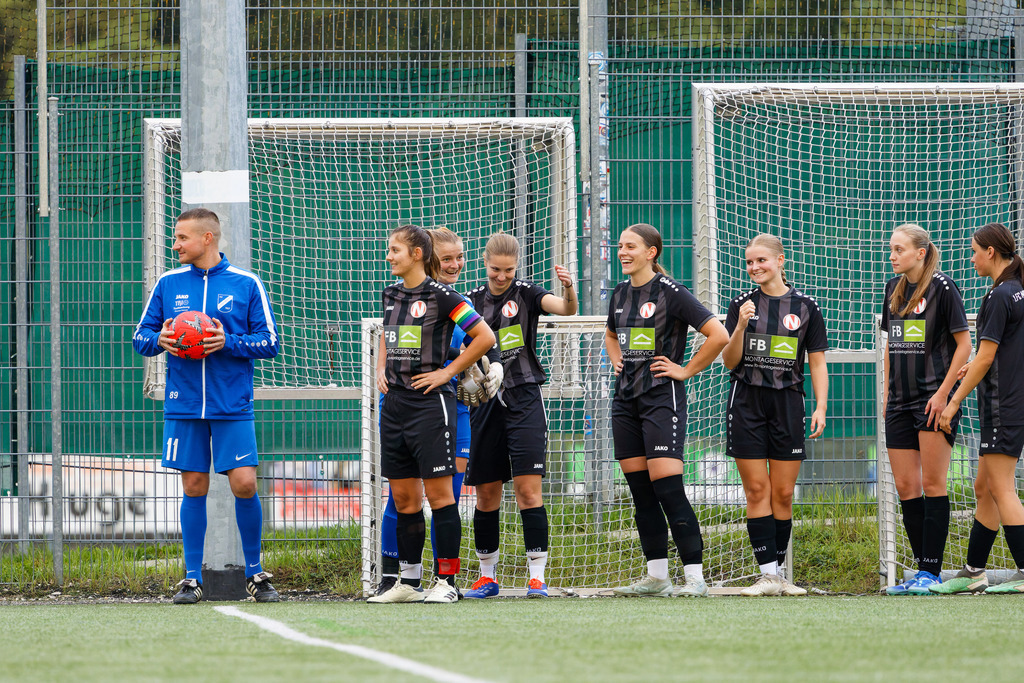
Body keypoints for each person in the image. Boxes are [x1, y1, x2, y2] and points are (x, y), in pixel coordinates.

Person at [132, 208, 281, 604]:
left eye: (182, 238)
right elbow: (140, 336)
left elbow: (270, 342)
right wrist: (159, 340)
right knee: (193, 485)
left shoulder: (246, 283)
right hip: (183, 406)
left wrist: (227, 343)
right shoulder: (168, 283)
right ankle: (192, 579)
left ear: (207, 239)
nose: (176, 244)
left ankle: (255, 574)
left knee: (245, 483)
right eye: (176, 238)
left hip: (231, 403)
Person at [368, 224, 495, 604]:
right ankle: (407, 582)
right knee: (404, 498)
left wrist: (447, 373)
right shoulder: (390, 293)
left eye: (394, 250)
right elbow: (388, 336)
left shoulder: (444, 296)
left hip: (431, 405)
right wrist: (380, 368)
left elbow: (486, 337)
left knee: (441, 497)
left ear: (417, 254)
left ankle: (447, 583)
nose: (388, 256)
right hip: (395, 407)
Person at [605, 223, 729, 598]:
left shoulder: (671, 292)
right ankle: (657, 577)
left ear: (651, 252)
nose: (622, 252)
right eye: (620, 245)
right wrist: (617, 361)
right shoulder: (620, 293)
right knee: (641, 492)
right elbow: (611, 334)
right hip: (625, 401)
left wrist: (685, 369)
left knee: (669, 490)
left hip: (662, 398)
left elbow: (718, 335)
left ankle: (695, 577)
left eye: (630, 246)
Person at [462, 232, 577, 599]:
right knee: (486, 493)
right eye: (496, 269)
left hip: (525, 397)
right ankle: (486, 577)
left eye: (508, 270)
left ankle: (537, 578)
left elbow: (567, 310)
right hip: (484, 400)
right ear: (485, 263)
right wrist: (467, 375)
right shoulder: (471, 300)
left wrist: (569, 288)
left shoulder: (527, 293)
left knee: (529, 491)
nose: (501, 276)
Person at [722, 234, 829, 597]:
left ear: (780, 260)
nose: (754, 268)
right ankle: (768, 575)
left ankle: (779, 575)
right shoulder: (740, 304)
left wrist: (820, 405)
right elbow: (729, 361)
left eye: (761, 261)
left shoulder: (806, 306)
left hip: (788, 404)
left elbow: (816, 360)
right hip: (747, 403)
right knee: (757, 489)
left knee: (783, 493)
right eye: (749, 262)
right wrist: (738, 326)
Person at [879, 224, 971, 595]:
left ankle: (931, 573)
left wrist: (946, 395)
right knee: (906, 486)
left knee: (933, 484)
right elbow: (890, 344)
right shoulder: (892, 289)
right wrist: (886, 391)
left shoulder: (944, 288)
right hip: (899, 403)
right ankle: (921, 572)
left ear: (920, 252)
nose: (892, 256)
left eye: (899, 249)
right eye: (891, 250)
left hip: (933, 398)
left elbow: (965, 346)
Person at [933, 222, 1024, 595]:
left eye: (974, 251)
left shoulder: (1001, 295)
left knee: (1002, 488)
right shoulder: (1015, 291)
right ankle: (974, 571)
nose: (971, 258)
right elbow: (998, 352)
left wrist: (953, 401)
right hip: (1007, 403)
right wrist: (981, 363)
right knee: (984, 486)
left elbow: (986, 356)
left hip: (1003, 406)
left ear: (991, 252)